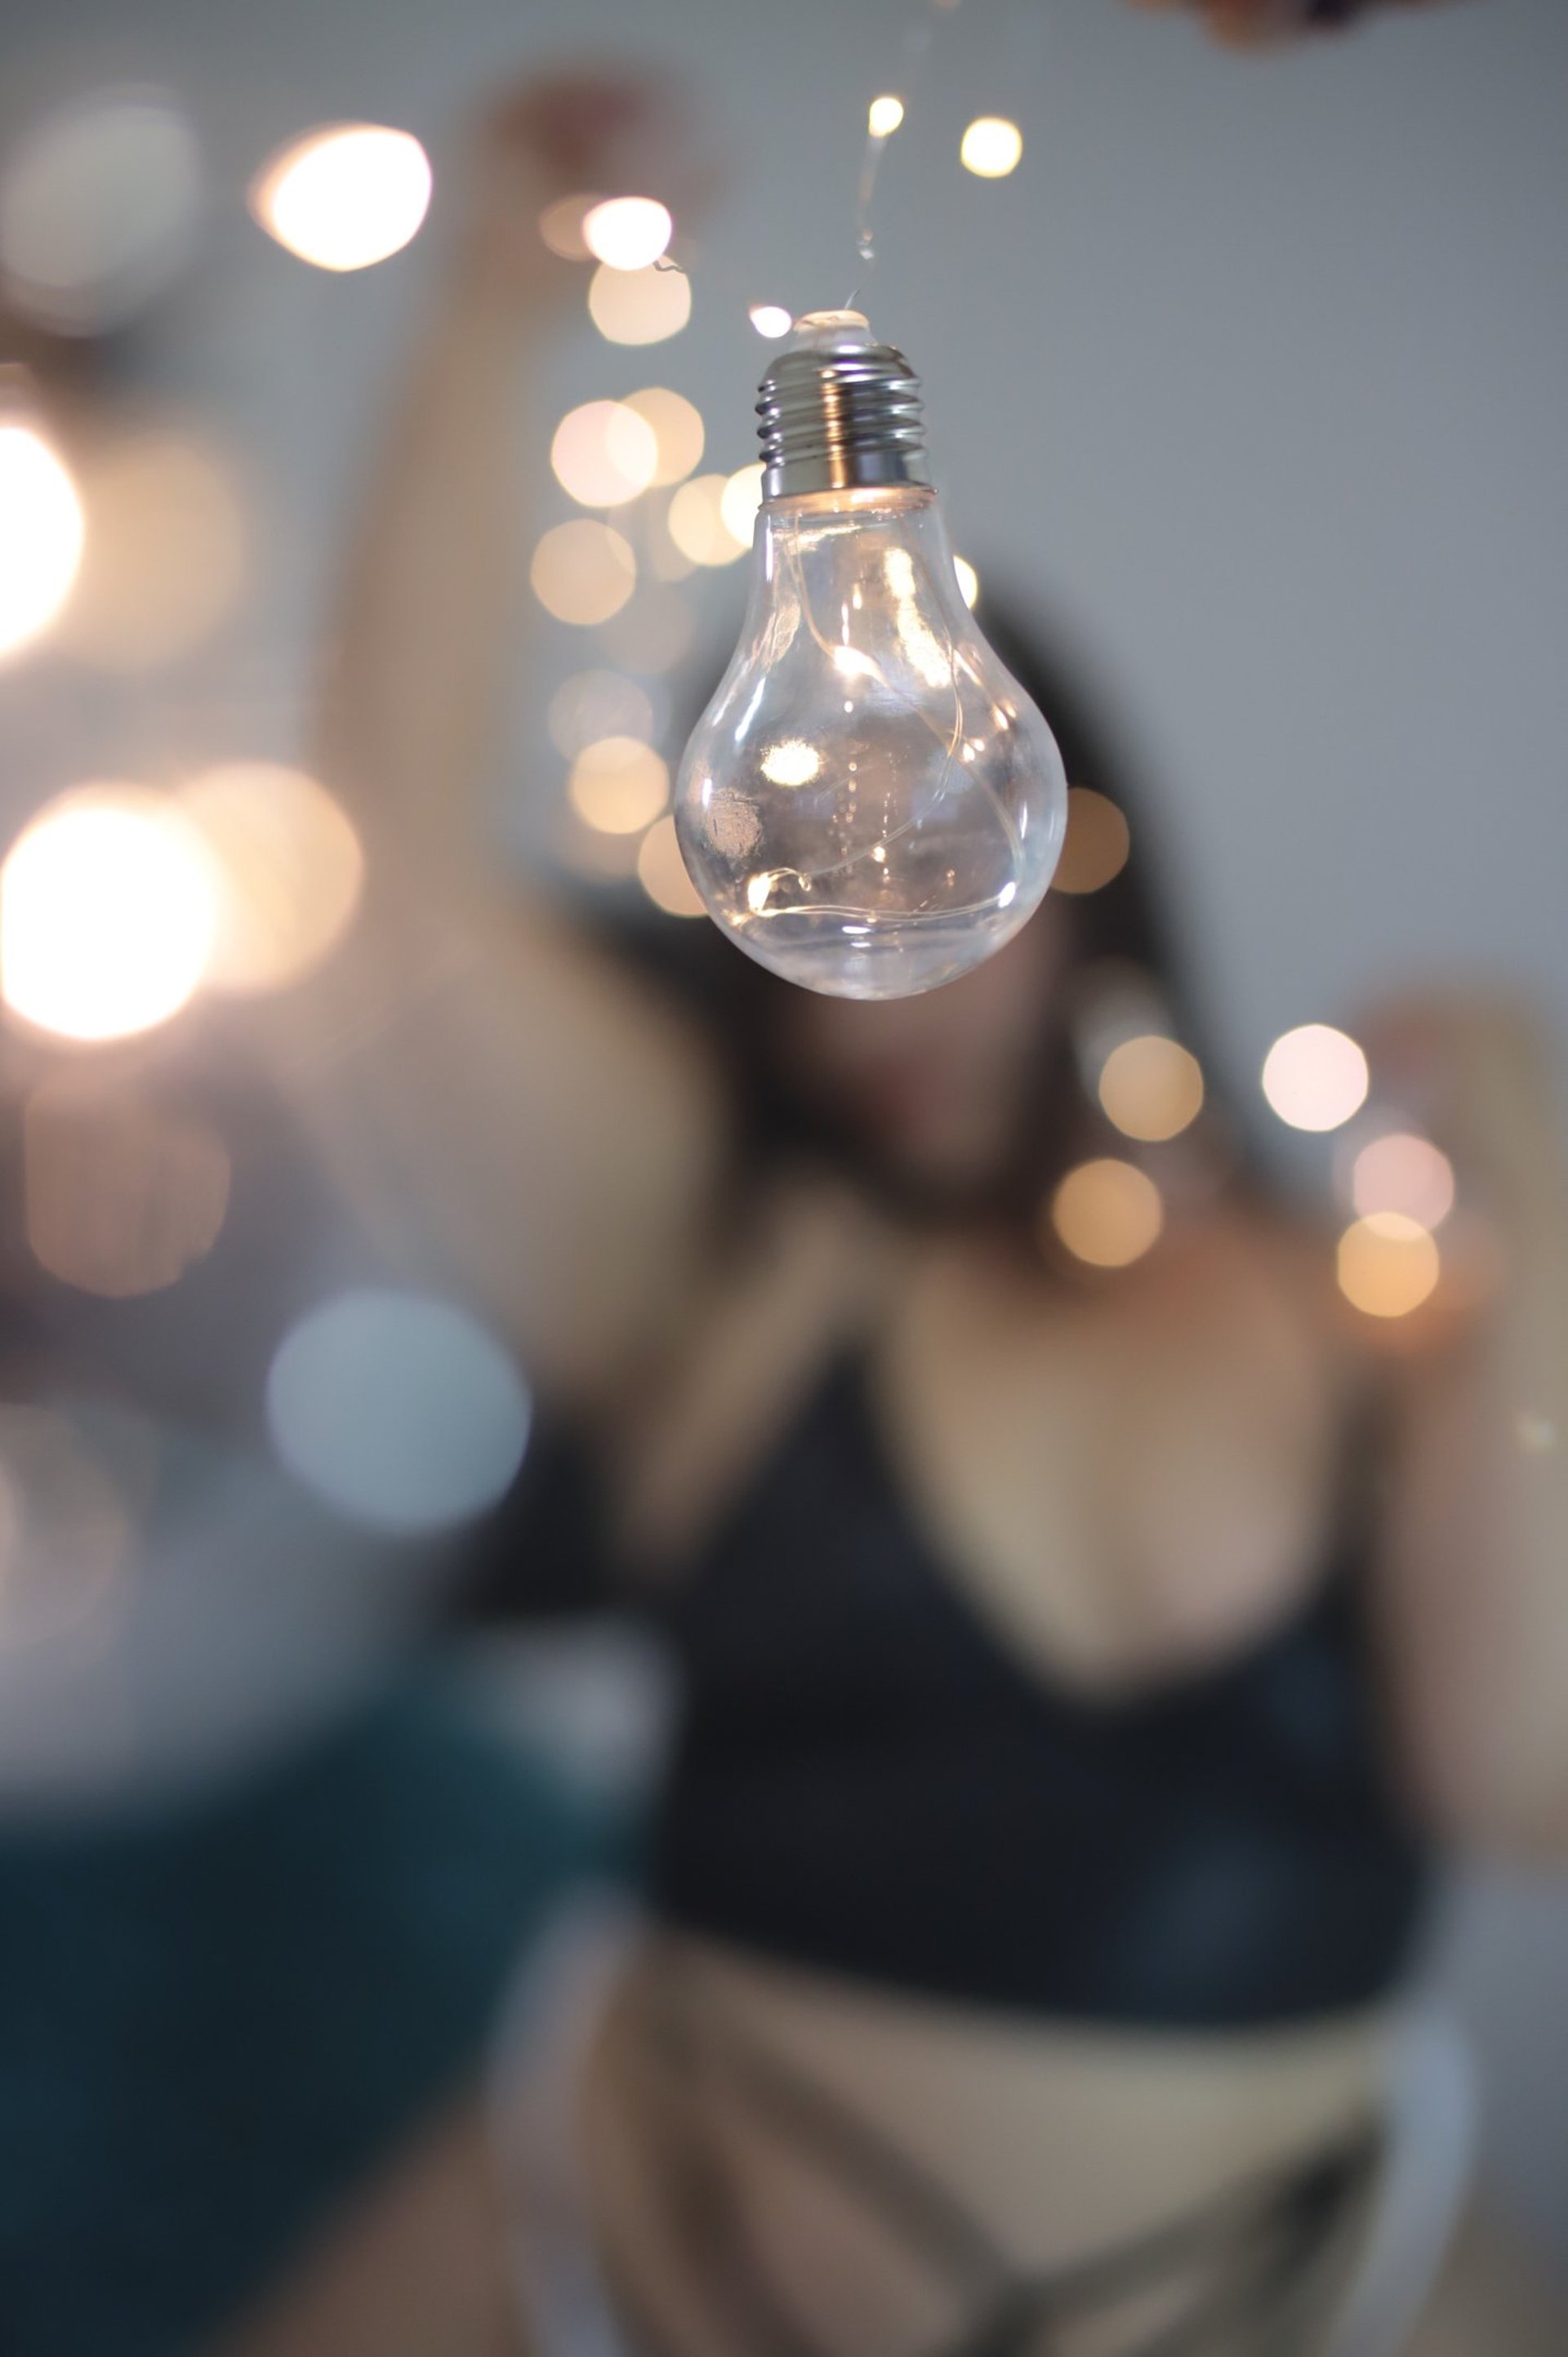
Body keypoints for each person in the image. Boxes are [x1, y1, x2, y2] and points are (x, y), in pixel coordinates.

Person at [243, 58, 1568, 2357]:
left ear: (1067, 843)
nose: (883, 941)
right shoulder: (731, 1265)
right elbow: (385, 880)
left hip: (1302, 2288)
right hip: (624, 2234)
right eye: (806, 854)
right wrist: (494, 297)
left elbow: (1526, 1784)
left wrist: (1538, 1195)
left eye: (933, 833)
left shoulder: (1370, 1297)